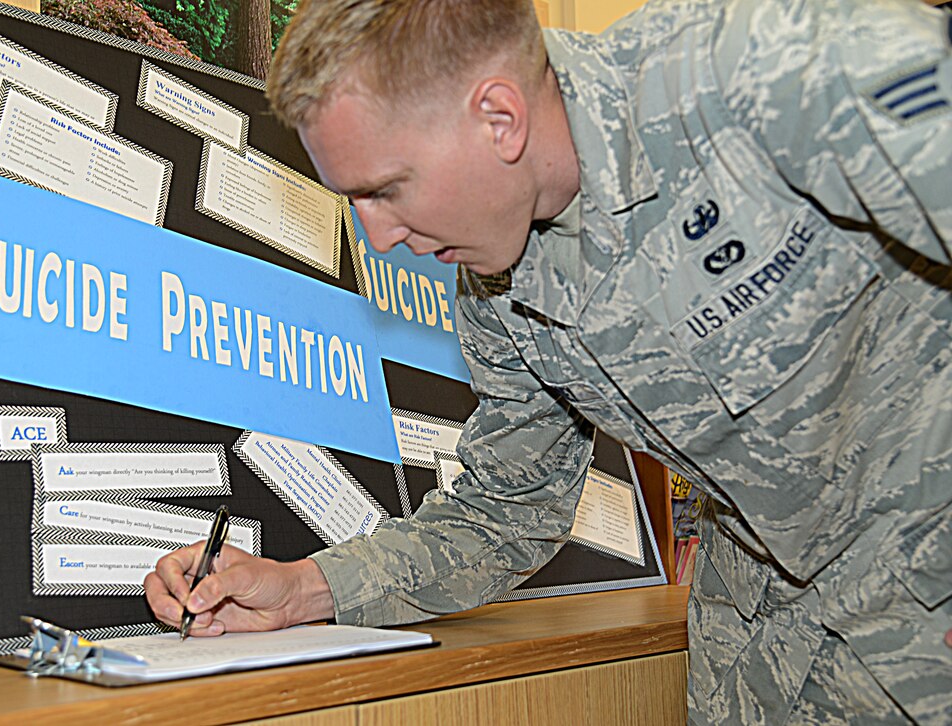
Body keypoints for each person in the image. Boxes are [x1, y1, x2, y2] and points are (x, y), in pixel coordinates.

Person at [145, 0, 952, 722]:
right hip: (767, 657)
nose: (378, 237)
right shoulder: (495, 292)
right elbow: (507, 513)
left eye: (386, 189)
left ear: (499, 117)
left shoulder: (763, 66)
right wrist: (303, 591)